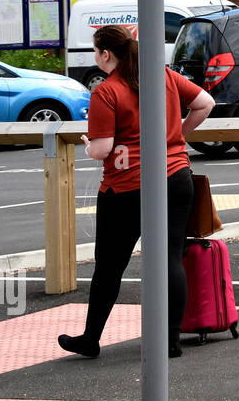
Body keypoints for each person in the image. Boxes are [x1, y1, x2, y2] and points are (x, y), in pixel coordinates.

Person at [58, 24, 214, 360]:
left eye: (95, 52)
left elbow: (102, 149)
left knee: (110, 266)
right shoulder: (164, 76)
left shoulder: (106, 91)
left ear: (106, 54)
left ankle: (91, 338)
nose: (95, 58)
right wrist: (177, 136)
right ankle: (169, 341)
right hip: (175, 176)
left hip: (126, 187)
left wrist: (87, 146)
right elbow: (205, 102)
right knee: (170, 258)